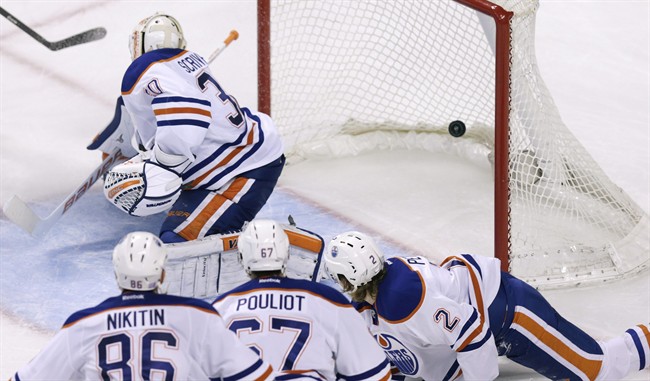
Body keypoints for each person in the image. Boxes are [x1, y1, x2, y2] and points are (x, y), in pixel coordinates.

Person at [323, 231, 650, 381]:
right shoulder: (376, 299)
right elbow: (400, 350)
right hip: (476, 316)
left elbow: (471, 329)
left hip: (509, 313)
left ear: (352, 281)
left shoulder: (401, 299)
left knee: (596, 370)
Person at [102, 12, 285, 244]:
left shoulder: (144, 70)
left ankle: (263, 248)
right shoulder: (184, 63)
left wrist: (161, 166)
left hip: (242, 170)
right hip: (241, 151)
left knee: (175, 242)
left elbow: (187, 115)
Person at [11, 231, 274, 381]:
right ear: (161, 273)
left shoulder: (84, 324)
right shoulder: (197, 315)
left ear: (116, 274)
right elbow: (256, 375)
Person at [212, 219, 392, 380]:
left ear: (241, 258)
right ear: (287, 254)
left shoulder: (220, 309)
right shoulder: (327, 300)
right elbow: (376, 374)